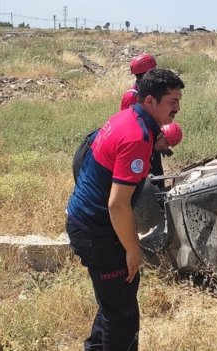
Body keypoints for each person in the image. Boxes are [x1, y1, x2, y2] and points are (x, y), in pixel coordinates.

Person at [66, 68, 184, 351]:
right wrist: (133, 250)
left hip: (88, 223)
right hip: (98, 232)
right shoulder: (137, 137)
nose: (177, 108)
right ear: (150, 102)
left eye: (179, 101)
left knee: (114, 301)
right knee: (123, 316)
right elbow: (117, 204)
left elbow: (84, 155)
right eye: (171, 101)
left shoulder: (127, 117)